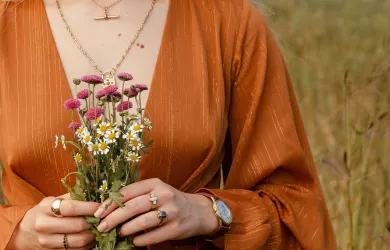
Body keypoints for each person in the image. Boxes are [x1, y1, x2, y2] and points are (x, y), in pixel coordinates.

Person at [0, 0, 338, 249]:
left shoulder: (229, 23)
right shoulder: (6, 23)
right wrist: (17, 233)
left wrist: (209, 213)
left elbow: (296, 212)